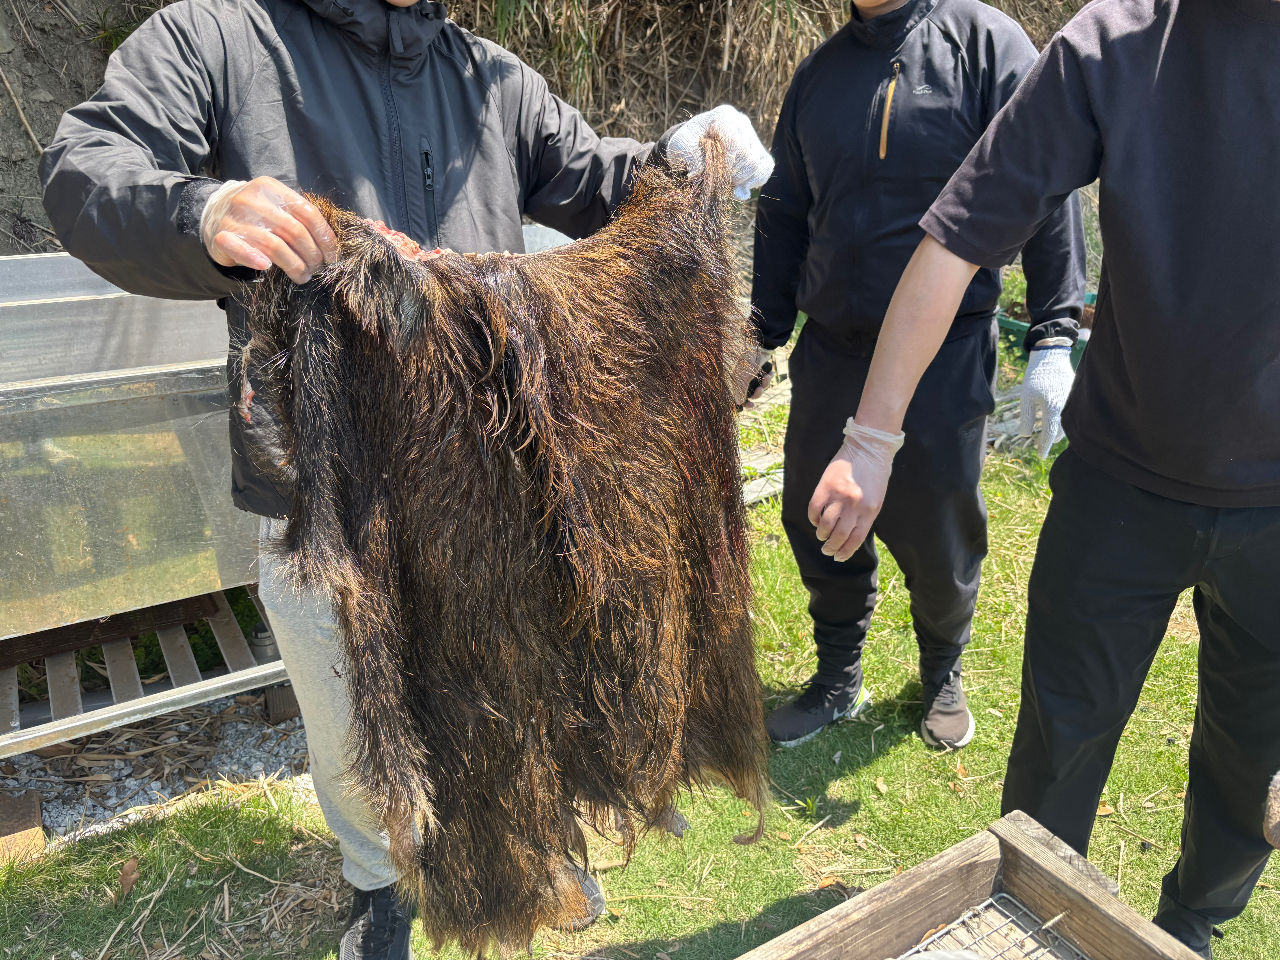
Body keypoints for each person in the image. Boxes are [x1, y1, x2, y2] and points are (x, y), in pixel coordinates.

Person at [38, 2, 772, 956]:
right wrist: (202, 211)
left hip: (487, 476)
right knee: (350, 712)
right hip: (322, 493)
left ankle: (529, 845)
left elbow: (594, 178)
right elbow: (86, 166)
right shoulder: (220, 39)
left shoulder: (488, 79)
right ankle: (378, 881)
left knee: (509, 676)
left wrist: (675, 158)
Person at [807, 0, 1280, 953]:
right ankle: (1031, 924)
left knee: (1250, 767)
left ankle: (1192, 927)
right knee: (1058, 747)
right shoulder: (1114, 40)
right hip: (1120, 484)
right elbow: (960, 237)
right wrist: (871, 436)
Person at [743, 0, 1083, 749]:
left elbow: (1046, 184)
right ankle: (838, 674)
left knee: (939, 527)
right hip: (833, 346)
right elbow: (785, 211)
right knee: (816, 513)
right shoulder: (819, 75)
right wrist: (760, 333)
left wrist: (1054, 331)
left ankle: (941, 668)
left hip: (946, 353)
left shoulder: (985, 46)